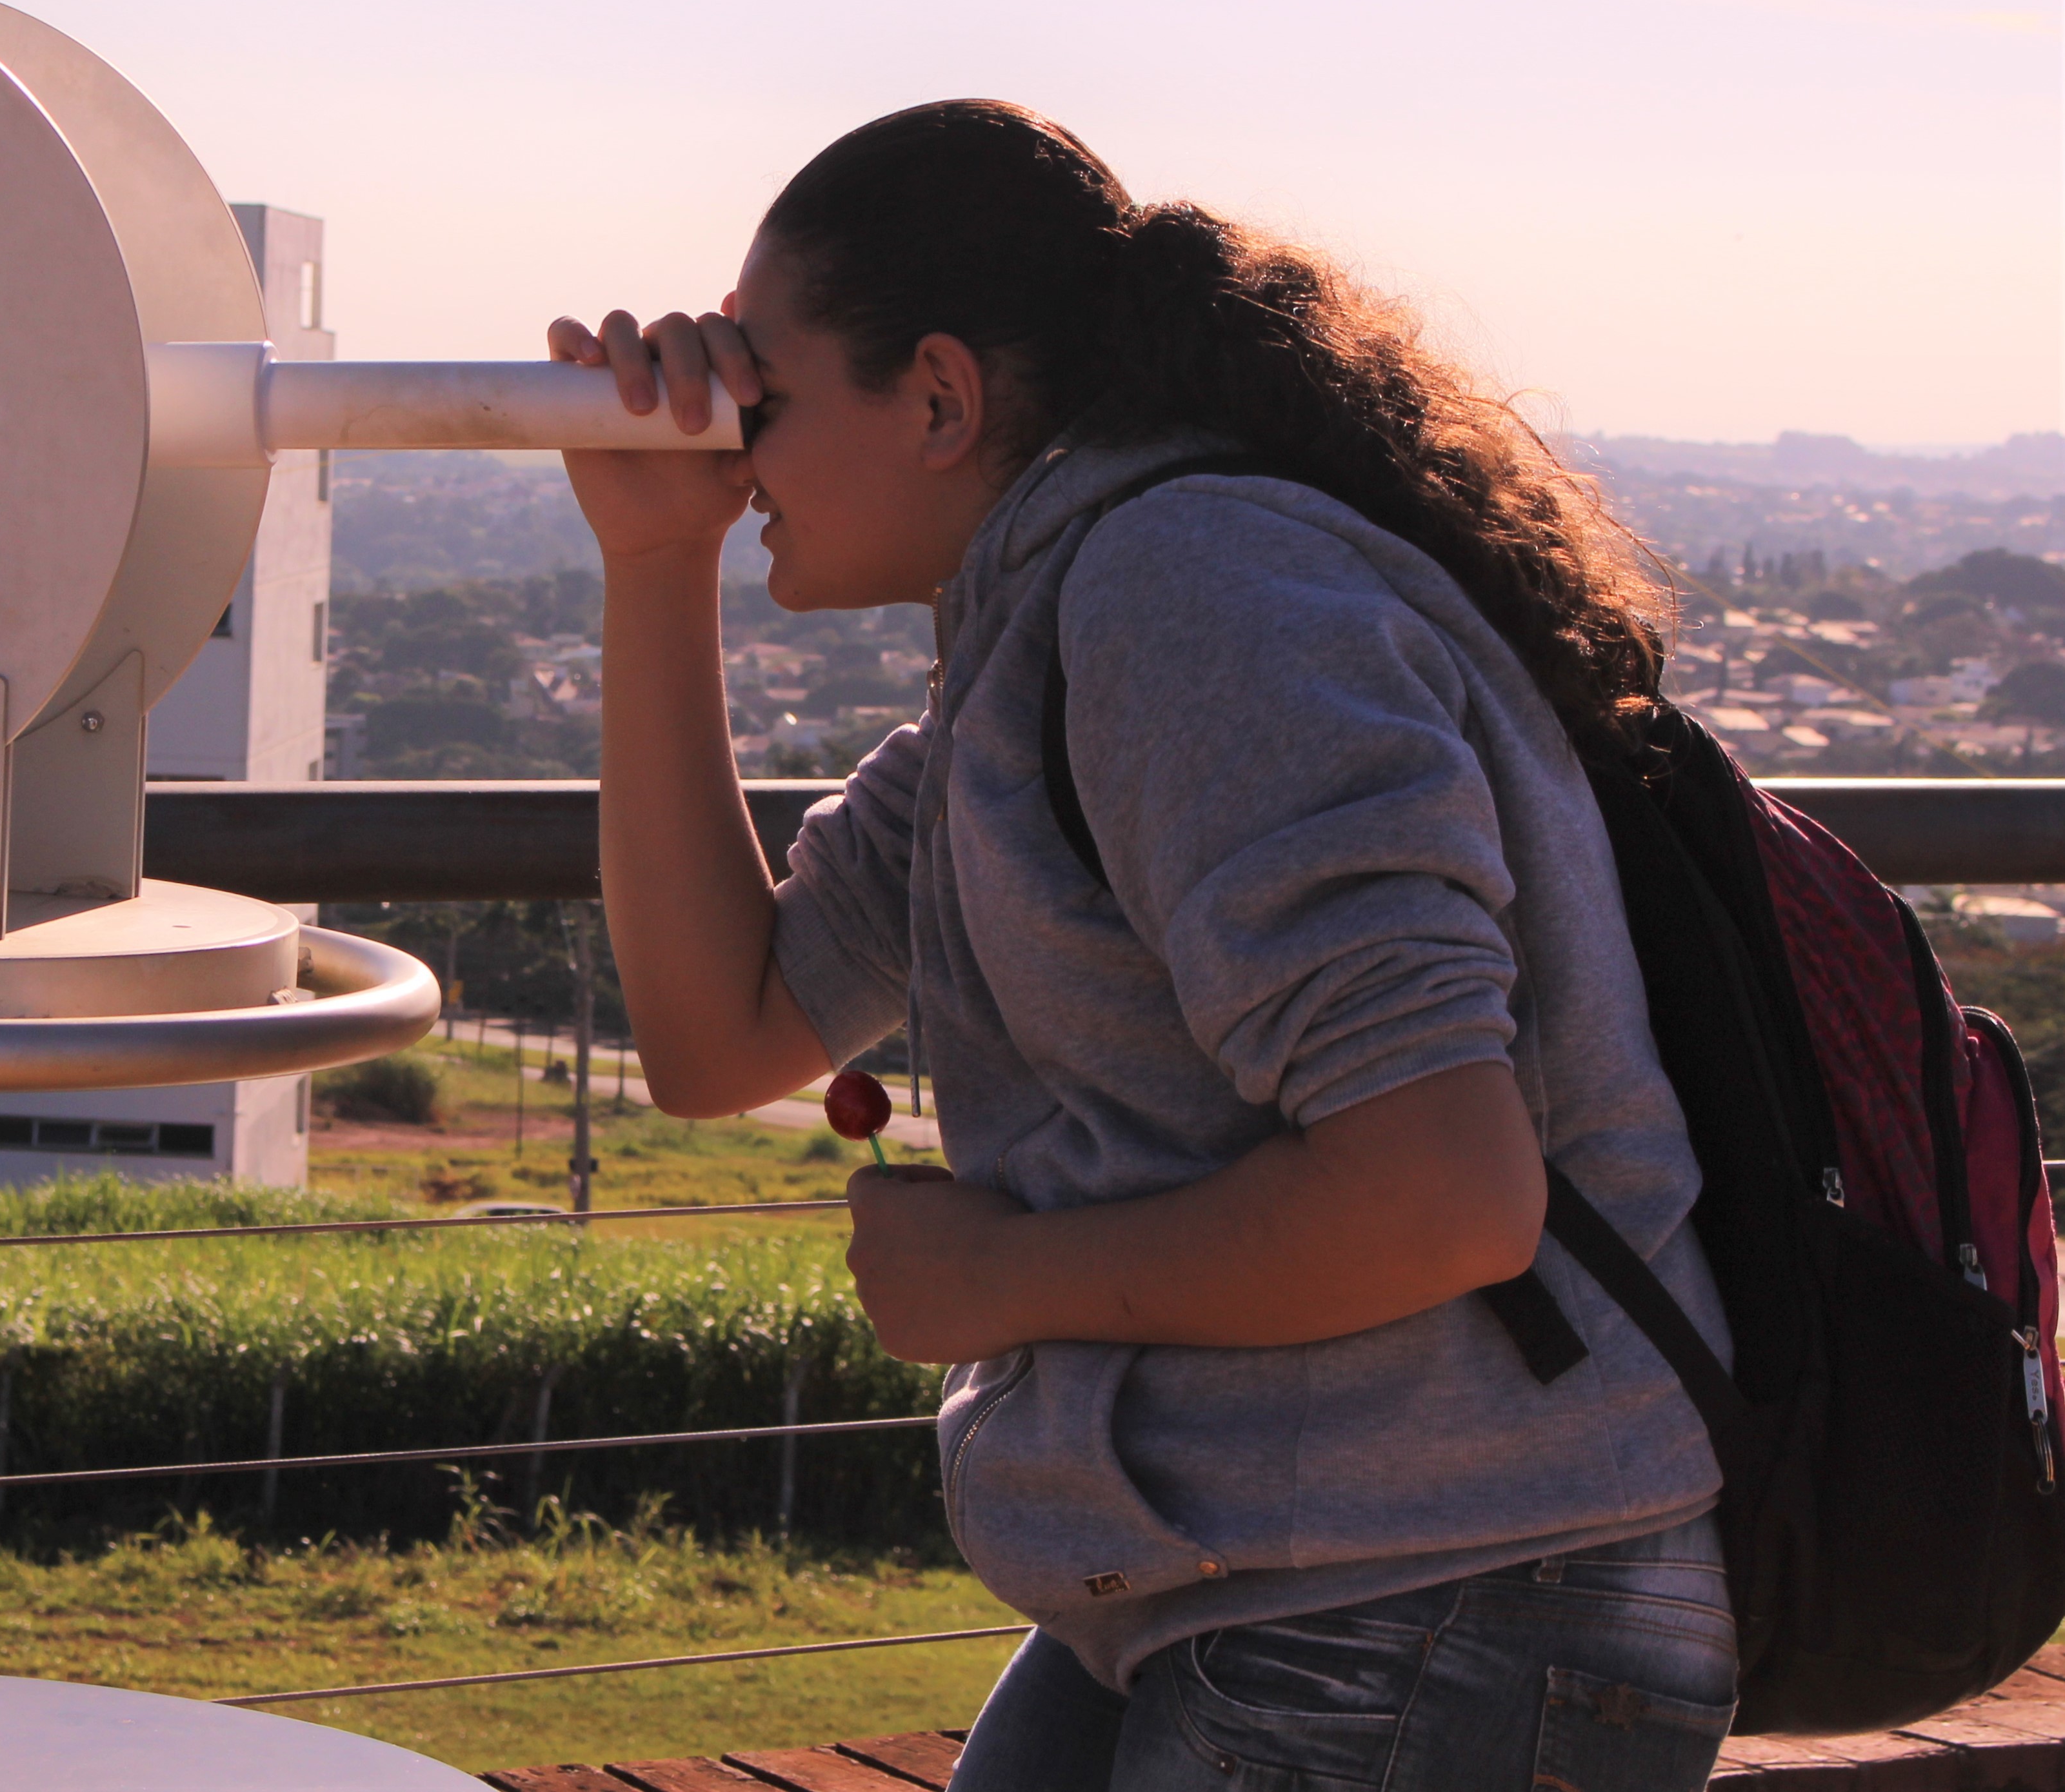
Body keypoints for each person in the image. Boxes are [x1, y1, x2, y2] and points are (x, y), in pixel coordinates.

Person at [552, 100, 1735, 1791]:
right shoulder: (1034, 647)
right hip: (1268, 1572)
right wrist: (654, 565)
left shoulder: (1190, 601)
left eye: (763, 398)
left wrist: (995, 1280)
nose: (735, 454)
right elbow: (719, 1033)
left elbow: (1444, 1192)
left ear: (941, 395)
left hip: (1447, 1588)